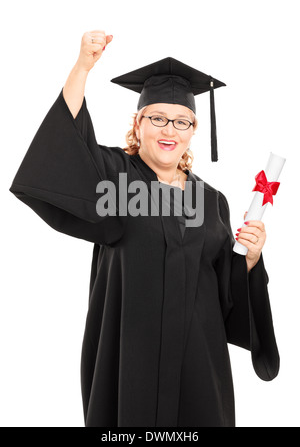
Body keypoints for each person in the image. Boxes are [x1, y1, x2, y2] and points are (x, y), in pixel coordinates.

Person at [9, 30, 279, 427]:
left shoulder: (211, 200)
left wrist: (251, 260)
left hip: (199, 366)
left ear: (193, 130)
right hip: (129, 357)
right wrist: (82, 67)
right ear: (138, 122)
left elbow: (226, 288)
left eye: (182, 121)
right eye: (157, 118)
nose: (169, 130)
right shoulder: (114, 179)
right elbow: (69, 145)